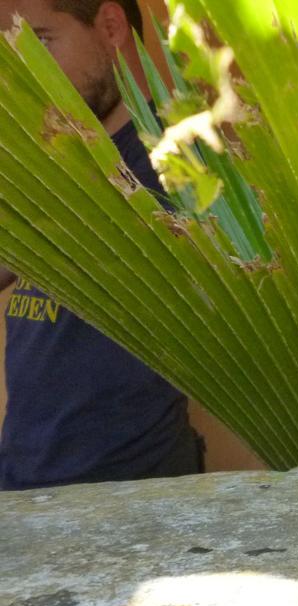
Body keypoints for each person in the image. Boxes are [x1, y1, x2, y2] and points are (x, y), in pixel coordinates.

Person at [0, 0, 203, 490]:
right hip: (21, 479)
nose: (24, 69)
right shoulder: (51, 158)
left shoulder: (178, 166)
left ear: (110, 28)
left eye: (42, 42)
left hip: (130, 491)